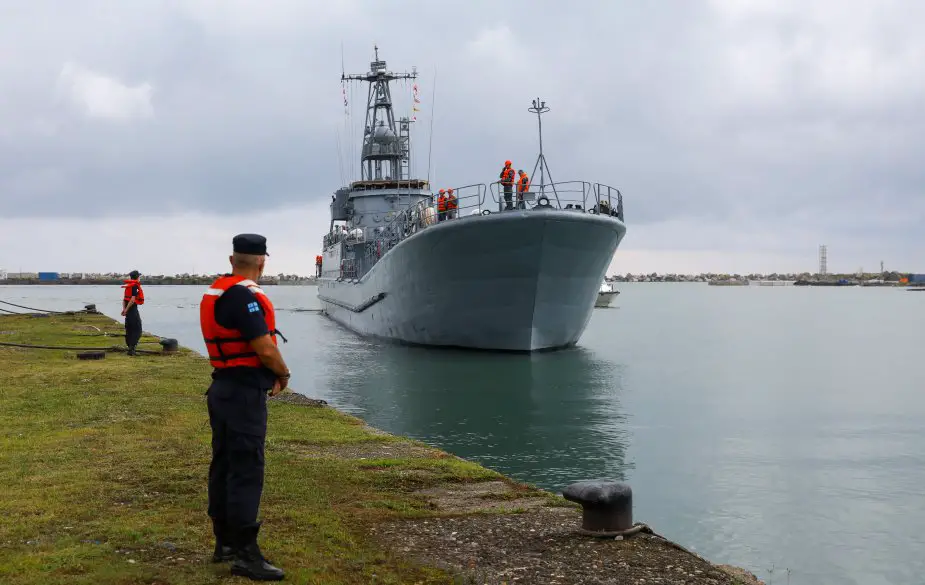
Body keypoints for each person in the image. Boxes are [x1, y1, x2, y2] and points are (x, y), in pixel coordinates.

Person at [200, 233, 290, 581]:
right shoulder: (245, 297)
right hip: (241, 396)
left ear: (231, 260)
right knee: (247, 468)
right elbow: (265, 348)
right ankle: (246, 554)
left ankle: (224, 543)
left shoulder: (219, 290)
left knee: (223, 464)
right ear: (262, 262)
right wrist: (283, 373)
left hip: (221, 389)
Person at [120, 270, 144, 356]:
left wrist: (124, 309)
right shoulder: (135, 286)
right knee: (137, 329)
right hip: (132, 309)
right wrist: (126, 310)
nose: (139, 278)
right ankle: (131, 349)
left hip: (127, 309)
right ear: (137, 277)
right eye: (139, 276)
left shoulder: (128, 286)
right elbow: (133, 299)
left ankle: (130, 347)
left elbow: (124, 299)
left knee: (129, 329)